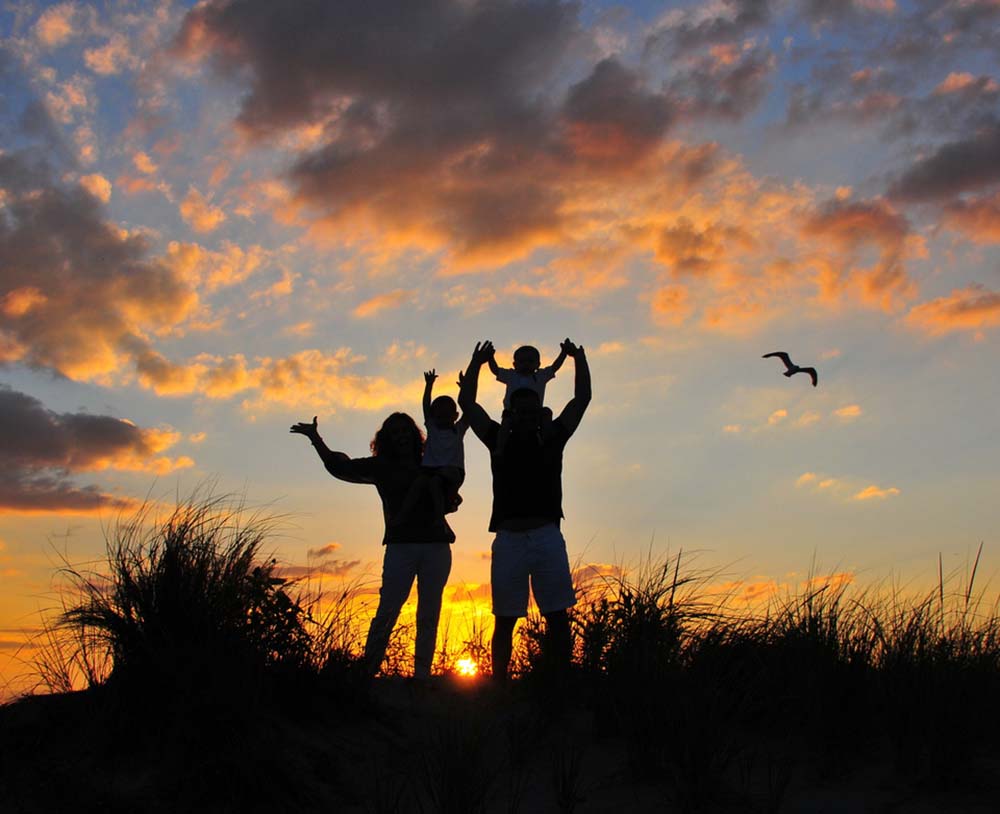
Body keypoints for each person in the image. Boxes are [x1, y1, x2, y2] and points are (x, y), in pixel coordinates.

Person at [458, 338, 591, 683]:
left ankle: (559, 680)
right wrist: (476, 364)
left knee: (557, 615)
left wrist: (579, 359)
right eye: (522, 411)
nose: (529, 415)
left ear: (540, 412)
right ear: (512, 414)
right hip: (509, 538)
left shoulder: (552, 437)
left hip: (547, 535)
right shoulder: (497, 438)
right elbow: (468, 403)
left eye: (534, 411)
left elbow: (582, 400)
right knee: (505, 618)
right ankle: (499, 684)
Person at [290, 413, 454, 681]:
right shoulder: (381, 466)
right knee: (388, 609)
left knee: (429, 611)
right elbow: (339, 467)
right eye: (395, 432)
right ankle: (367, 672)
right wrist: (315, 438)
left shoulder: (431, 462)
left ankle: (422, 676)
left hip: (436, 545)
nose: (401, 436)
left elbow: (451, 491)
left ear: (414, 435)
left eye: (405, 430)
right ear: (387, 439)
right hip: (401, 546)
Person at [394, 369, 468, 525]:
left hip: (453, 470)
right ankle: (402, 515)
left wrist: (465, 388)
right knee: (418, 484)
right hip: (431, 469)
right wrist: (429, 386)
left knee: (435, 483)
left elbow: (469, 410)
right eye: (439, 416)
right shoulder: (432, 428)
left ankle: (440, 515)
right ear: (434, 417)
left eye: (447, 416)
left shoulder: (458, 429)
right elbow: (426, 406)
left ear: (455, 416)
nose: (442, 419)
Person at [488, 342, 569, 410]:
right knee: (507, 418)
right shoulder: (511, 375)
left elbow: (555, 367)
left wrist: (563, 353)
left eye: (530, 361)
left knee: (546, 412)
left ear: (538, 364)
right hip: (512, 413)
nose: (526, 364)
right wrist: (490, 357)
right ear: (515, 364)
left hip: (534, 414)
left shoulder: (540, 376)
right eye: (522, 361)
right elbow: (495, 370)